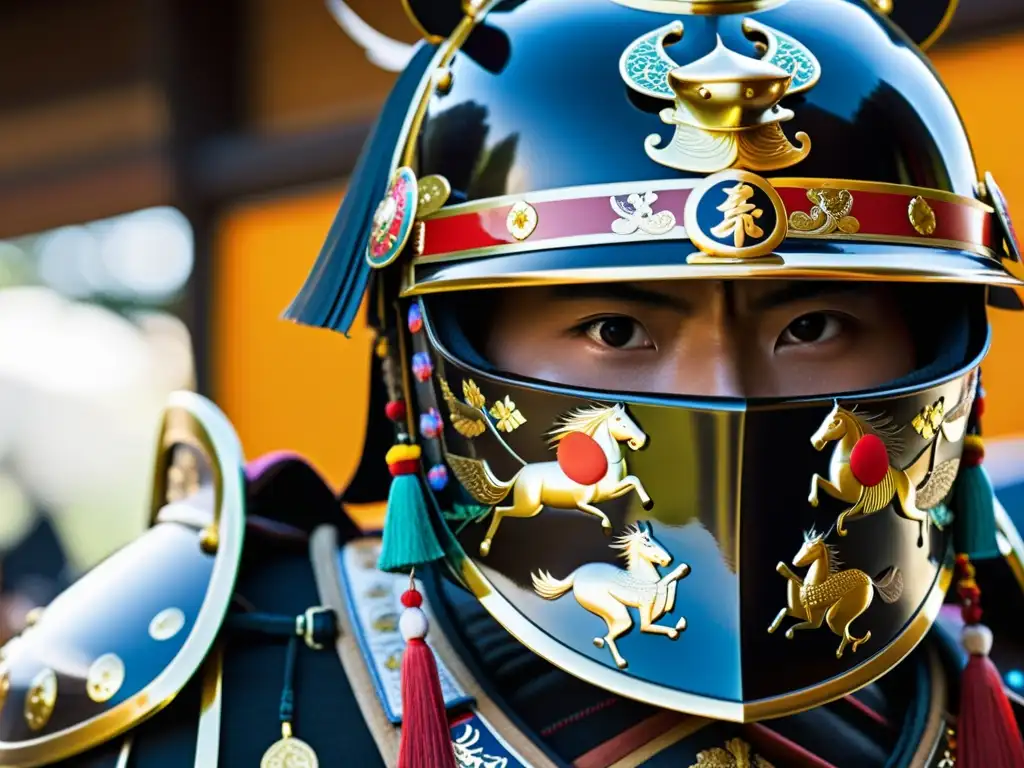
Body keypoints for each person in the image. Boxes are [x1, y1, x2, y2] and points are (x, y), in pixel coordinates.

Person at [3, 0, 1024, 766]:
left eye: (812, 325)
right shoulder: (187, 686)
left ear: (936, 343)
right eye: (616, 327)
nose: (727, 394)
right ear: (428, 343)